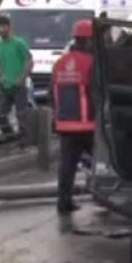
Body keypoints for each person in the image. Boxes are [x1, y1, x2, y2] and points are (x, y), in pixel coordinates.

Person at [51, 20, 96, 214]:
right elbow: (97, 92)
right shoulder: (91, 63)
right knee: (104, 162)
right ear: (88, 40)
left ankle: (64, 202)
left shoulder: (60, 63)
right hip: (88, 124)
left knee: (67, 166)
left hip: (65, 124)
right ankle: (107, 197)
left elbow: (51, 93)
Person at [0, 15, 33, 143]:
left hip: (19, 86)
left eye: (3, 27)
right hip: (4, 86)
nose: (1, 30)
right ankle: (11, 139)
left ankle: (24, 141)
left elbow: (29, 61)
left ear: (9, 27)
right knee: (0, 115)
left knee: (21, 115)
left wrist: (22, 78)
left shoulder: (19, 43)